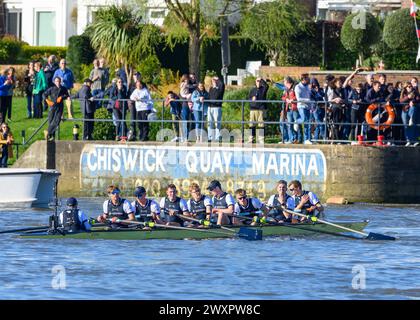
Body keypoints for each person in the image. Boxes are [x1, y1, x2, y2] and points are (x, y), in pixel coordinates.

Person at [248, 77, 269, 144]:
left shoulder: (263, 89)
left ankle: (261, 139)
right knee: (251, 125)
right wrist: (252, 100)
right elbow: (248, 99)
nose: (259, 82)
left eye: (260, 81)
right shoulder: (252, 90)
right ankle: (251, 138)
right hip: (253, 109)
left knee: (261, 125)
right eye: (257, 81)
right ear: (255, 81)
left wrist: (262, 79)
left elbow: (266, 85)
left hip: (261, 109)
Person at [295, 73, 313, 144]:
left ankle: (308, 139)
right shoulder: (298, 87)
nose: (309, 79)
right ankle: (306, 139)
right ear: (303, 79)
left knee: (308, 122)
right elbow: (298, 99)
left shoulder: (307, 87)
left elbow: (310, 96)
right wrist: (308, 100)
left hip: (308, 107)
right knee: (305, 121)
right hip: (301, 106)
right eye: (307, 78)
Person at [400, 82, 420, 146]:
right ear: (405, 88)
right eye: (408, 86)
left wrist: (412, 101)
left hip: (412, 111)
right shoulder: (403, 93)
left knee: (413, 125)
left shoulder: (415, 92)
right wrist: (408, 97)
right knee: (406, 126)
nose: (410, 87)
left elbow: (418, 99)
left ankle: (414, 140)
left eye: (411, 86)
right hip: (405, 111)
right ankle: (408, 140)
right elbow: (401, 101)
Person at [281, 76, 298, 144]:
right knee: (289, 124)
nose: (284, 83)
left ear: (287, 82)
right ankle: (291, 139)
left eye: (284, 82)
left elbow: (298, 96)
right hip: (288, 109)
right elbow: (283, 97)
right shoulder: (286, 89)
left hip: (295, 108)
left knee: (297, 125)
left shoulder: (295, 87)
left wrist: (292, 100)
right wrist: (286, 99)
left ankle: (298, 138)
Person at [207, 76, 225, 142]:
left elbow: (222, 85)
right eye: (213, 80)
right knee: (210, 123)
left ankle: (217, 137)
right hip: (210, 107)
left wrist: (218, 79)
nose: (214, 81)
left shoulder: (220, 88)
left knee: (217, 123)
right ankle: (210, 137)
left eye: (215, 80)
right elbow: (209, 97)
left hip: (217, 107)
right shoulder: (211, 88)